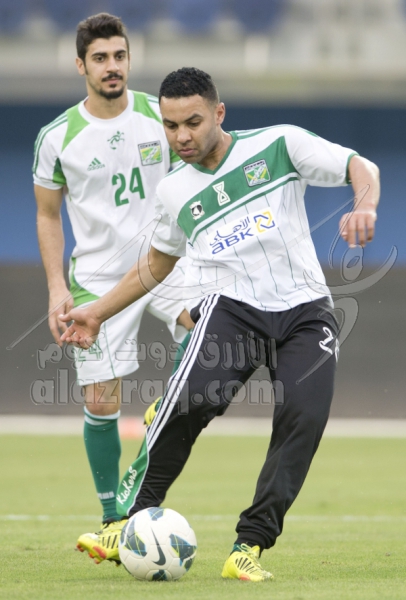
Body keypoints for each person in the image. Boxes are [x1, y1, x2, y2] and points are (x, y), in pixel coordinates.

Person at [60, 67, 380, 580]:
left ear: (219, 113)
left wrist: (365, 204)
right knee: (189, 402)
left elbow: (359, 166)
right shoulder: (173, 191)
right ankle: (125, 523)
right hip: (230, 310)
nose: (181, 136)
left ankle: (248, 546)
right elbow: (156, 263)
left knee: (303, 418)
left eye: (192, 122)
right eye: (170, 126)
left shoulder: (279, 145)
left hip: (307, 312)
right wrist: (97, 312)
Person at [33, 15, 194, 550]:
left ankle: (163, 407)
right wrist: (57, 289)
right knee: (102, 403)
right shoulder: (57, 137)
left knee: (200, 334)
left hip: (165, 261)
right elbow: (48, 216)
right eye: (100, 58)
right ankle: (111, 518)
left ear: (129, 59)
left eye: (119, 56)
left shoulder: (158, 117)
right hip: (97, 278)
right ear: (80, 65)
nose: (112, 67)